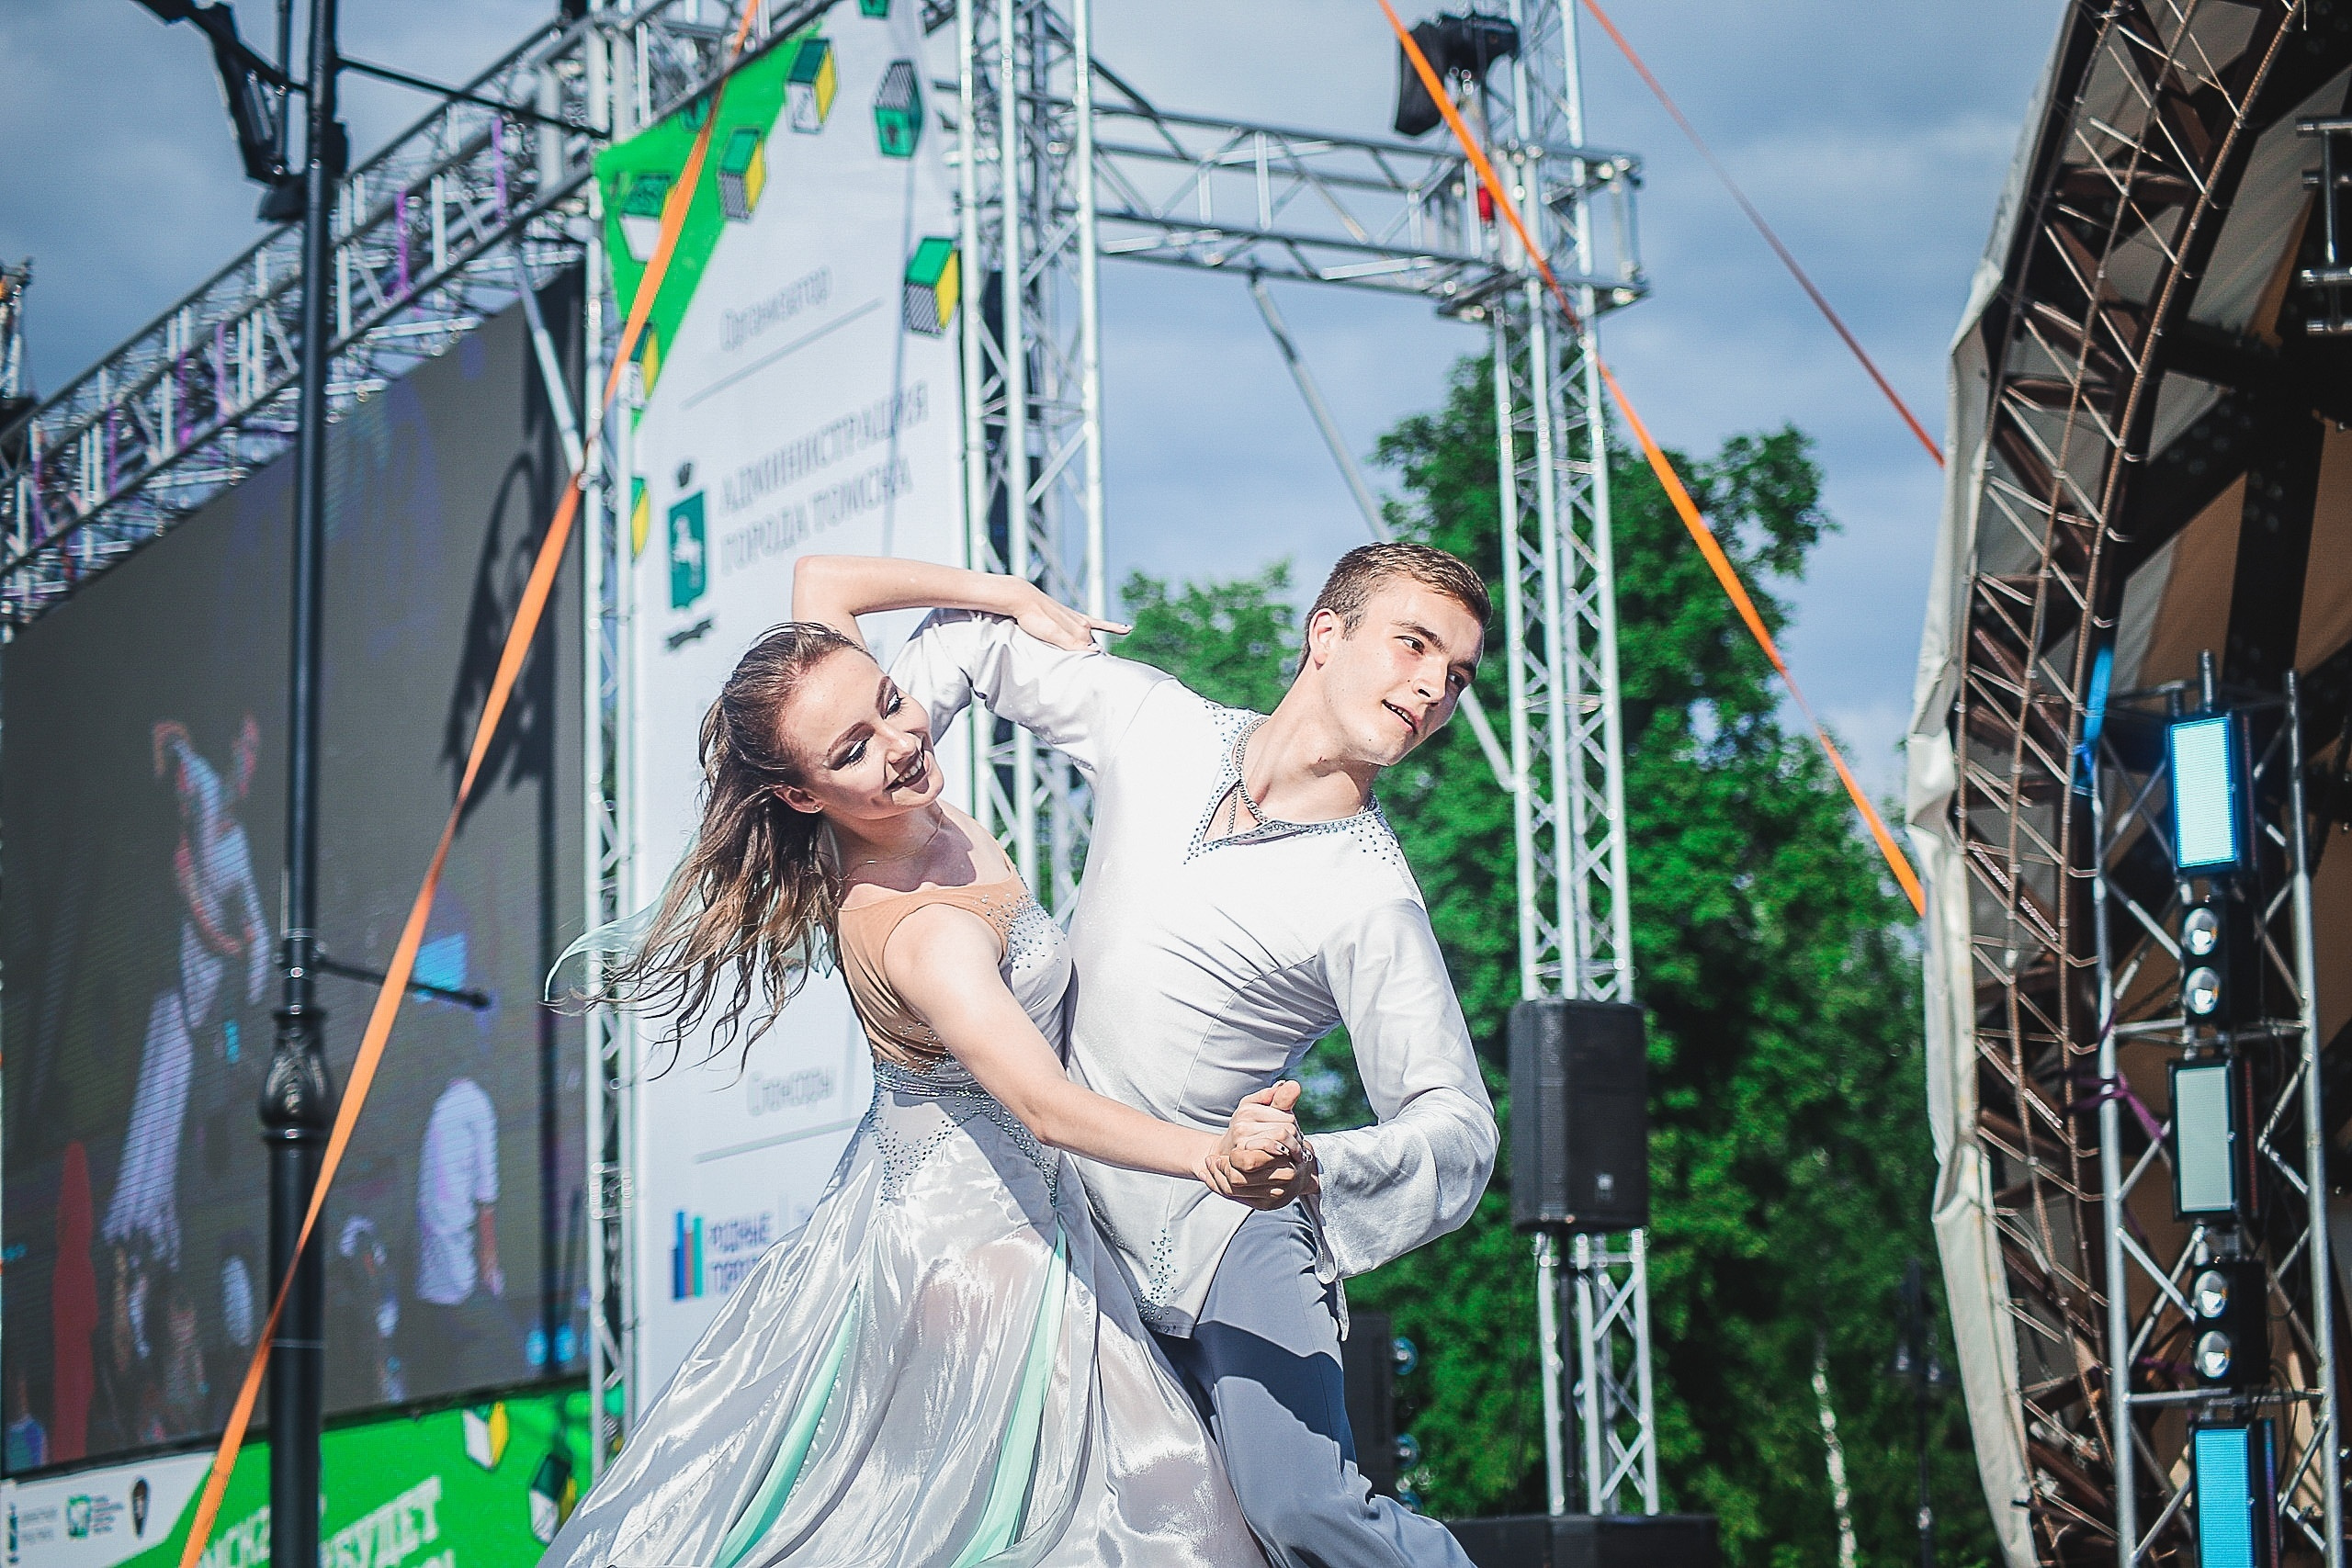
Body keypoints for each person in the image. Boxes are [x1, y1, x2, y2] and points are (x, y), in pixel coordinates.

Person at [542, 611, 1312, 1568]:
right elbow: (1042, 1105)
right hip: (983, 1254)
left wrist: (1003, 594)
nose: (902, 742)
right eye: (854, 750)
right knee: (1169, 1527)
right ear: (799, 791)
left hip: (947, 1203)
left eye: (891, 700)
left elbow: (830, 585)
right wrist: (1212, 1157)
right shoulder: (922, 933)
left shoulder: (899, 787)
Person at [797, 544, 1498, 1568]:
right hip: (1065, 1214)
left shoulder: (1371, 897)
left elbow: (1460, 1126)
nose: (1434, 687)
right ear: (1326, 633)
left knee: (1300, 1510)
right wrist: (885, 828)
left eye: (1459, 674)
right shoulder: (1162, 723)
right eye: (1414, 644)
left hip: (1232, 1229)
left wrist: (1315, 1167)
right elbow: (958, 650)